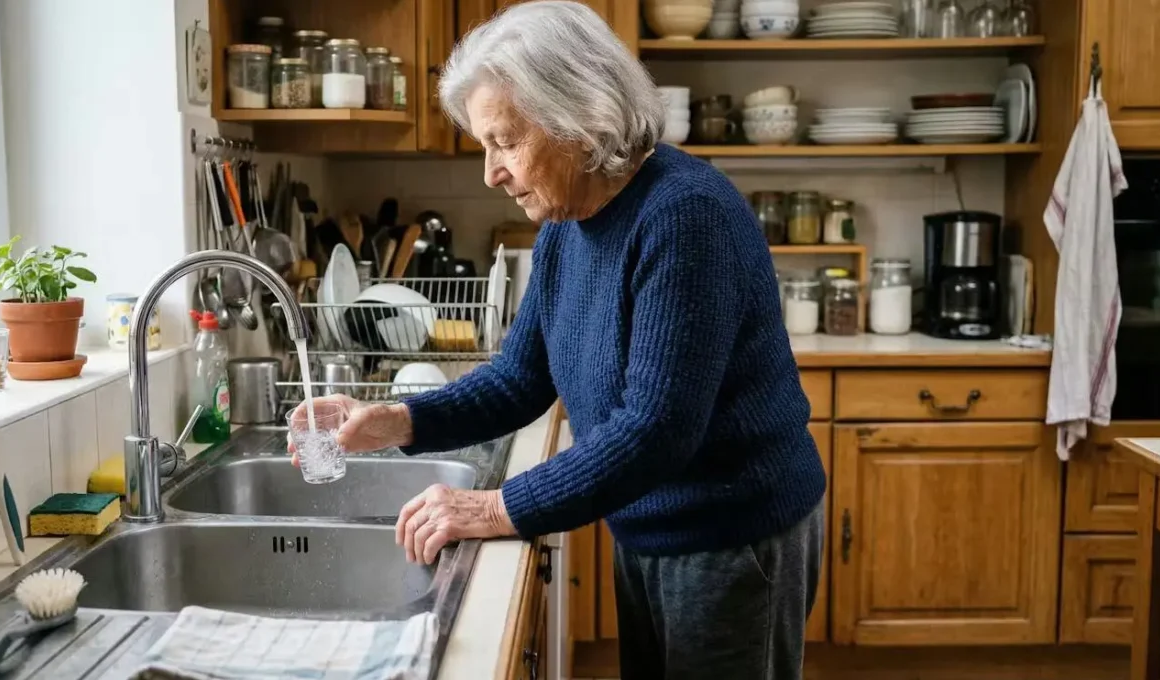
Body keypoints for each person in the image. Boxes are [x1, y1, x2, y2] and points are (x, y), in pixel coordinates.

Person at [291, 1, 826, 677]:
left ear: (579, 117)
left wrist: (495, 507)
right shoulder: (564, 227)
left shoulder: (686, 217)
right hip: (650, 523)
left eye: (505, 141)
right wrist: (394, 422)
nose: (491, 172)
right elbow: (520, 378)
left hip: (733, 534)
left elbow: (656, 430)